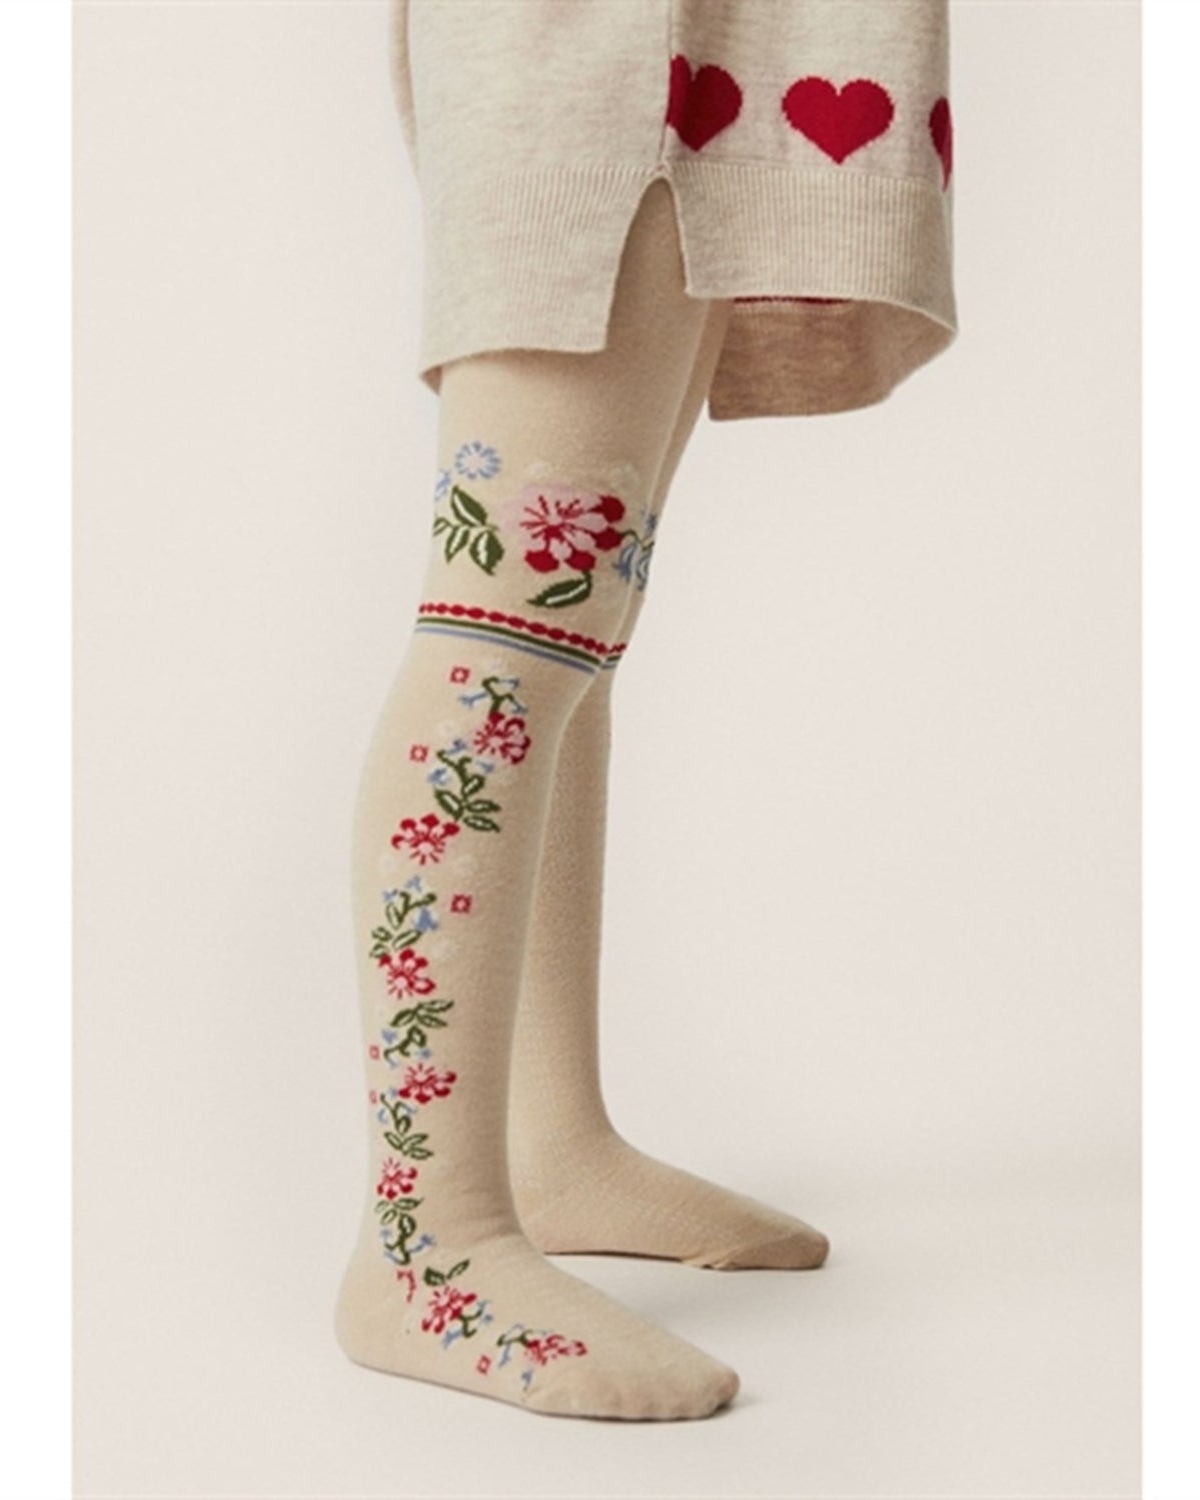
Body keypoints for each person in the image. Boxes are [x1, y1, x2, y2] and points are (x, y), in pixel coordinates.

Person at [336, 0, 958, 1421]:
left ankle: (550, 1142)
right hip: (601, 42)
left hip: (694, 51)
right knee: (507, 635)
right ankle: (426, 1244)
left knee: (570, 628)